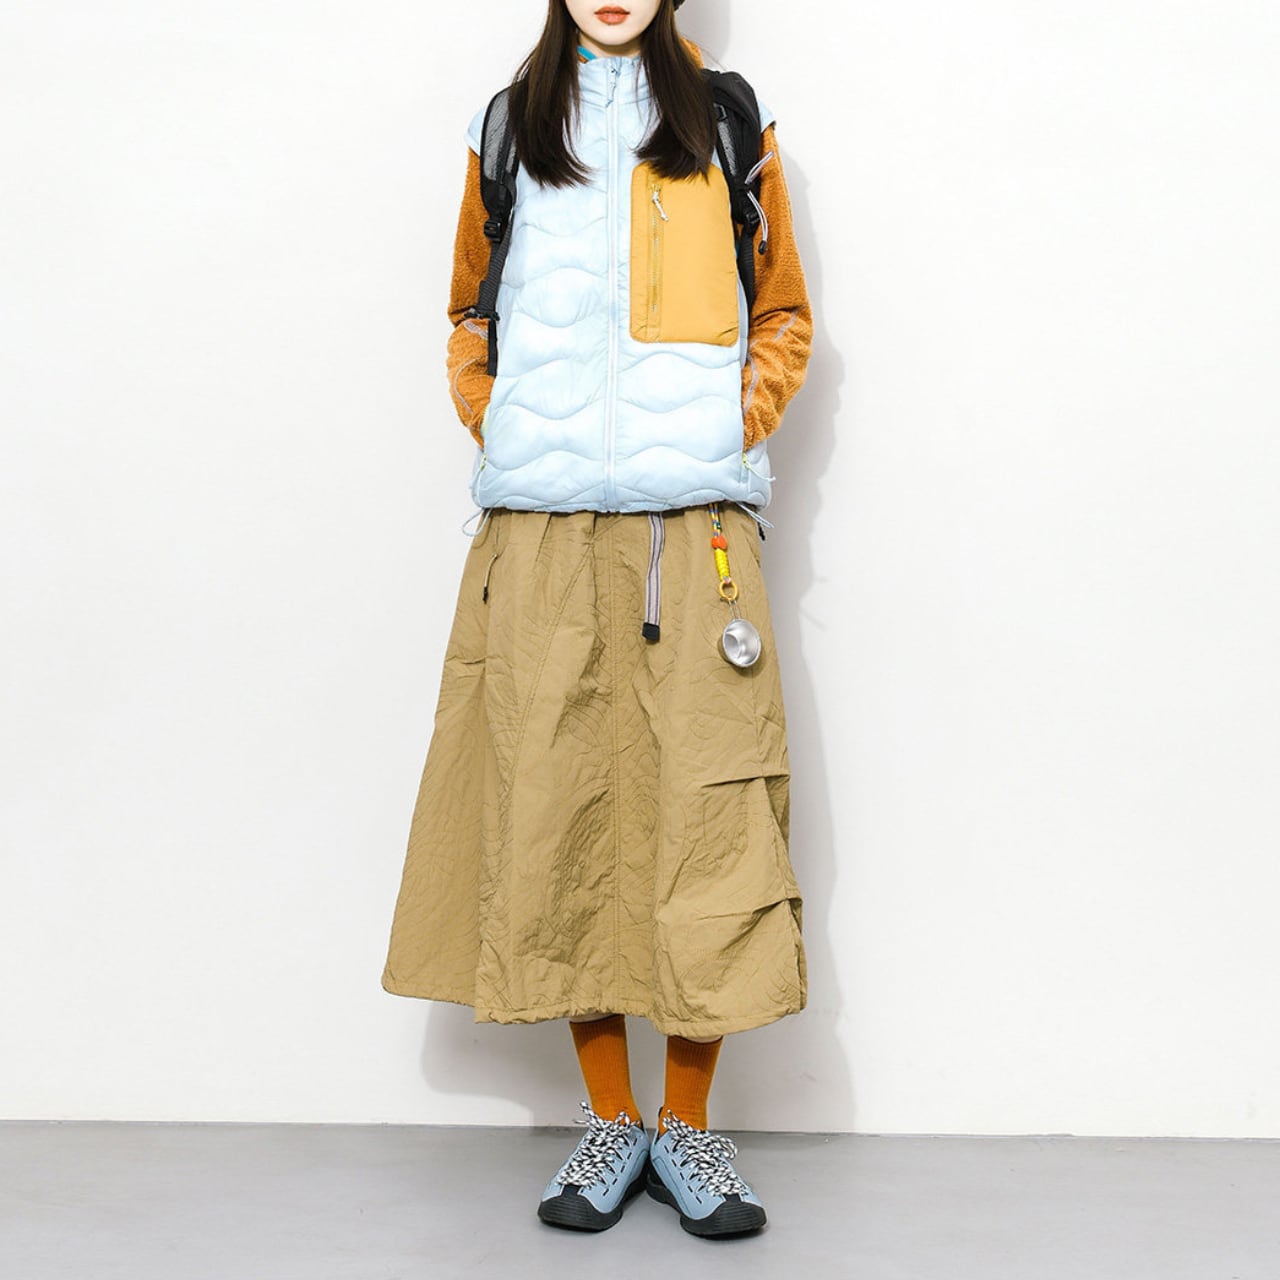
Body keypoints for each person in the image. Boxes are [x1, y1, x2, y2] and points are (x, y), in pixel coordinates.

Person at [381, 0, 813, 1239]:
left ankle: (687, 1125)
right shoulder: (510, 125)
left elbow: (780, 312)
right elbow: (469, 312)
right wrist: (500, 421)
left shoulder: (724, 120)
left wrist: (729, 425)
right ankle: (611, 1116)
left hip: (695, 527)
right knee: (557, 805)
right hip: (541, 527)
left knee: (709, 819)